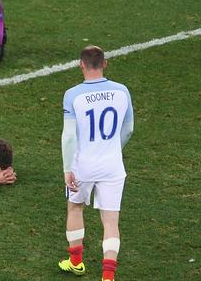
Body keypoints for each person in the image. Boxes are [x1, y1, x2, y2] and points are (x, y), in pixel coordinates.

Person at [58, 46, 134, 281]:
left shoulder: (73, 95)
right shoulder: (122, 91)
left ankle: (76, 262)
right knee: (110, 221)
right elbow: (129, 129)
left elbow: (69, 136)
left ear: (81, 64)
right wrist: (112, 149)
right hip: (112, 165)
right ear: (105, 63)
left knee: (75, 207)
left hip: (83, 165)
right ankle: (108, 277)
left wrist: (67, 168)